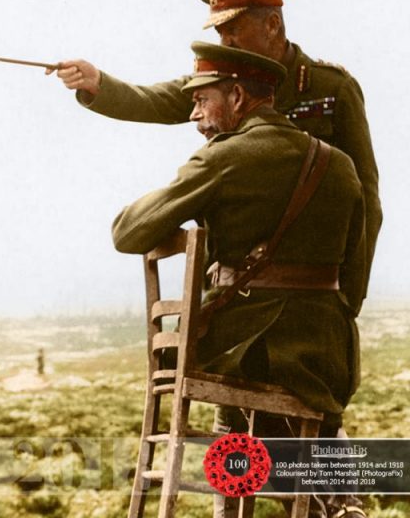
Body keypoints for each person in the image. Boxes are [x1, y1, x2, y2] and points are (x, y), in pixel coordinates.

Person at [111, 42, 367, 518]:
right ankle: (330, 500)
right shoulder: (340, 165)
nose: (194, 115)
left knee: (229, 390)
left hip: (252, 352)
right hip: (328, 355)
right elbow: (356, 251)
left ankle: (248, 507)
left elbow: (128, 233)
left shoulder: (225, 158)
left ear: (235, 96)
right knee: (286, 424)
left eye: (200, 100)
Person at [47, 0, 381, 296]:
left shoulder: (332, 88)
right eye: (221, 33)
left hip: (312, 280)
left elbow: (365, 198)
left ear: (273, 25)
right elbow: (154, 99)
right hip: (242, 281)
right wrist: (97, 83)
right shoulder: (220, 82)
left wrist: (349, 296)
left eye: (233, 31)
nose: (225, 44)